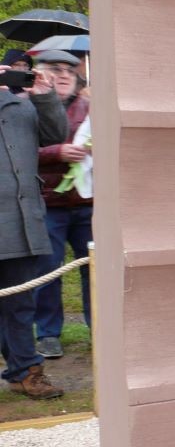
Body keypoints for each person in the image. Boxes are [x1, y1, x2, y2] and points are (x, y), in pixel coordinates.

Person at [0, 62, 67, 399]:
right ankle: (20, 366)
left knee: (19, 302)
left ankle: (25, 369)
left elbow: (56, 135)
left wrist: (44, 97)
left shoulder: (23, 103)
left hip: (20, 220)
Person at [31, 52, 95, 360]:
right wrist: (58, 152)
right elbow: (20, 152)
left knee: (96, 269)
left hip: (88, 204)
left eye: (70, 70)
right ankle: (48, 334)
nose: (64, 75)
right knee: (48, 271)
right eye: (56, 69)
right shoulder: (27, 106)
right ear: (40, 74)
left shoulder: (91, 107)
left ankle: (100, 328)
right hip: (49, 203)